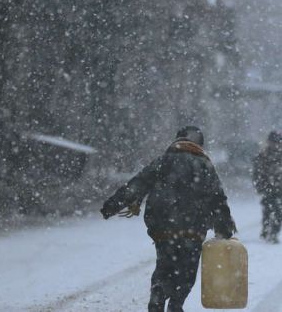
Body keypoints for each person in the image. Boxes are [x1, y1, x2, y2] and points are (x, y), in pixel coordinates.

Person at [100, 126, 237, 312]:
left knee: (165, 263)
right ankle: (176, 304)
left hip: (163, 226)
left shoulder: (163, 161)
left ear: (177, 140)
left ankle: (158, 293)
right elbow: (217, 198)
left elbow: (138, 184)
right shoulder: (204, 165)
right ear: (200, 145)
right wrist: (224, 226)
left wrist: (112, 205)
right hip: (193, 228)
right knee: (187, 271)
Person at [252, 131, 282, 244]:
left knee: (278, 212)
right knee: (270, 210)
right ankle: (268, 231)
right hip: (269, 188)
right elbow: (257, 172)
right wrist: (260, 185)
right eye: (275, 142)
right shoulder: (264, 155)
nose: (277, 145)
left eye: (278, 143)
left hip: (280, 189)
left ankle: (273, 232)